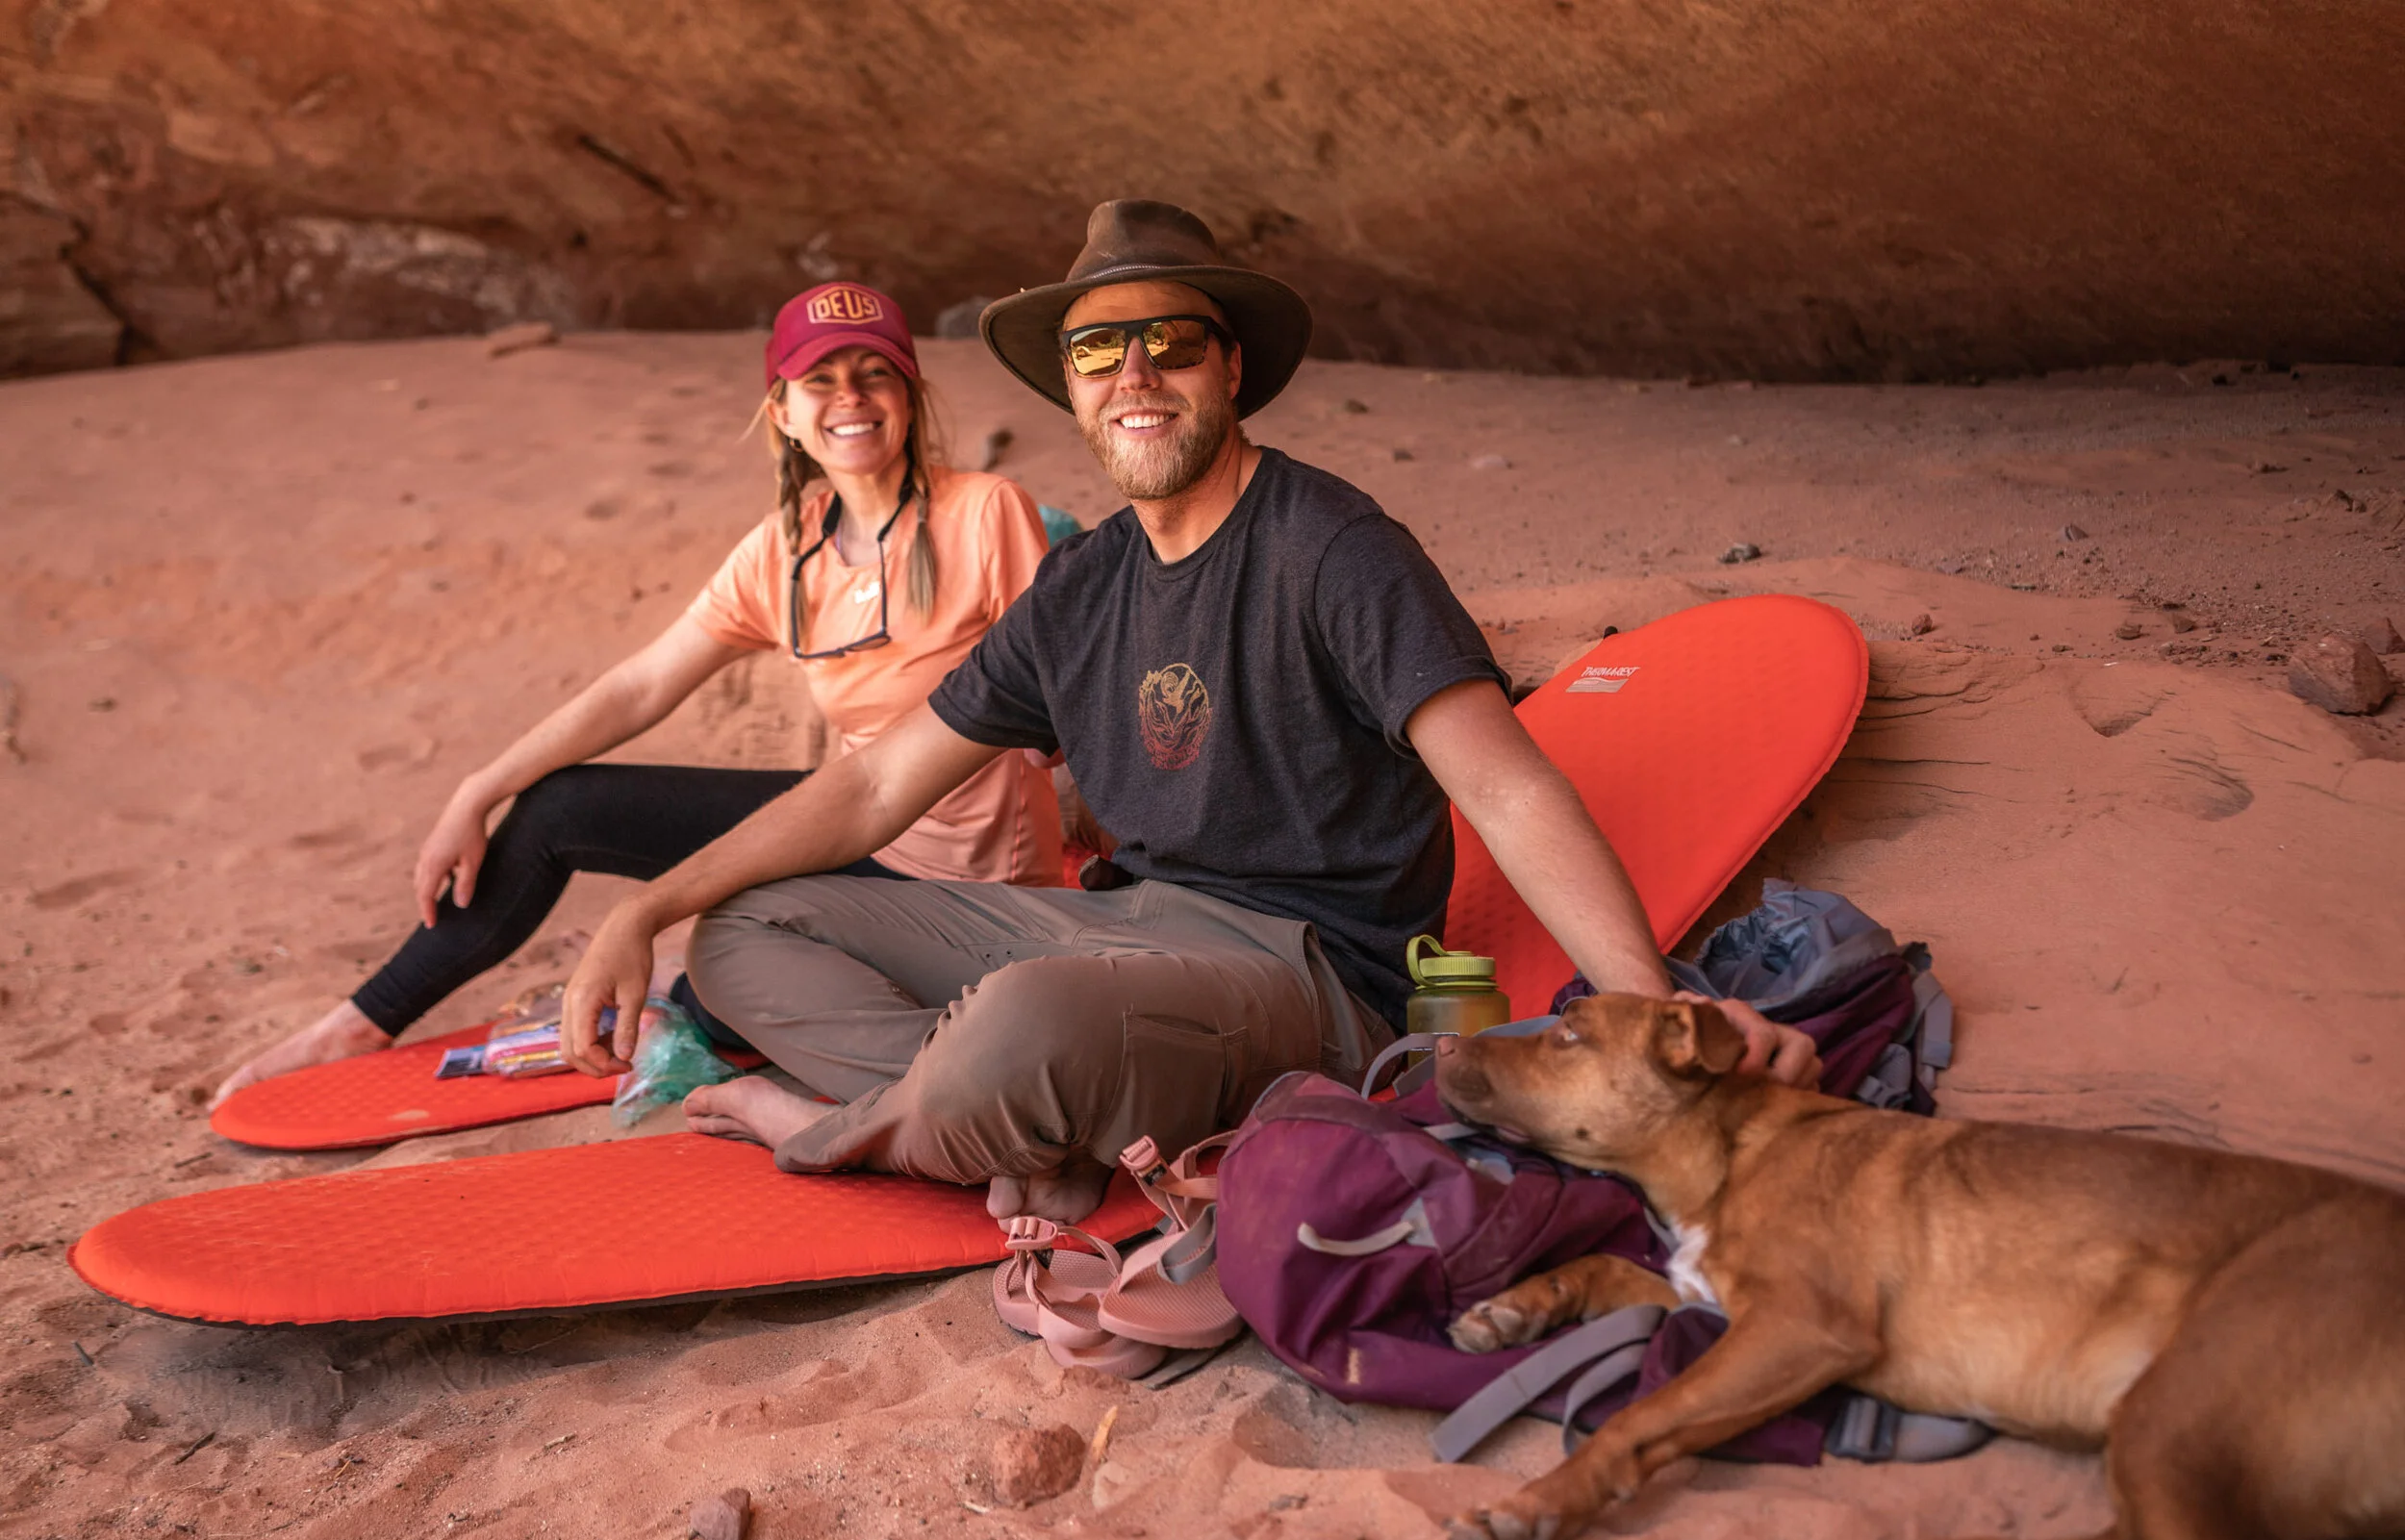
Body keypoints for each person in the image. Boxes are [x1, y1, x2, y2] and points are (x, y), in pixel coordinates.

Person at [557, 200, 1816, 1221]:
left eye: (1171, 340)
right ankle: (1012, 1117)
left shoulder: (1332, 547)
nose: (1135, 373)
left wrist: (1650, 1004)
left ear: (1231, 369)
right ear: (1073, 384)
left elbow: (1506, 782)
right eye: (1099, 350)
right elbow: (879, 785)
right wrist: (648, 905)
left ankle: (839, 1131)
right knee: (738, 932)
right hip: (1119, 940)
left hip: (1308, 978)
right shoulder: (1084, 581)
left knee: (1030, 1018)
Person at [213, 282, 1061, 1107]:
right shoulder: (787, 545)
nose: (851, 397)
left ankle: (674, 998)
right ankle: (362, 1022)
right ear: (784, 413)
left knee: (725, 976)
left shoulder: (985, 511)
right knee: (559, 808)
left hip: (955, 880)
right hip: (842, 826)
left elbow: (1057, 689)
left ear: (908, 394)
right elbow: (644, 683)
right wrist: (478, 789)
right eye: (821, 380)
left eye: (874, 373)